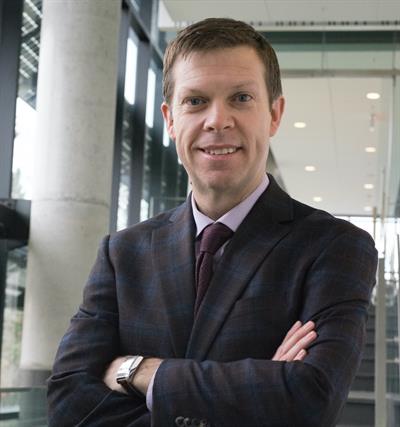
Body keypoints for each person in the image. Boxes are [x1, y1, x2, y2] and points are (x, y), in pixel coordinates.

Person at [47, 18, 378, 427]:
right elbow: (67, 403)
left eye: (241, 98)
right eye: (196, 101)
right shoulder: (122, 254)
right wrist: (259, 386)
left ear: (274, 114)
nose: (217, 120)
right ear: (170, 119)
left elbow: (310, 397)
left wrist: (137, 371)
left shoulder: (334, 247)